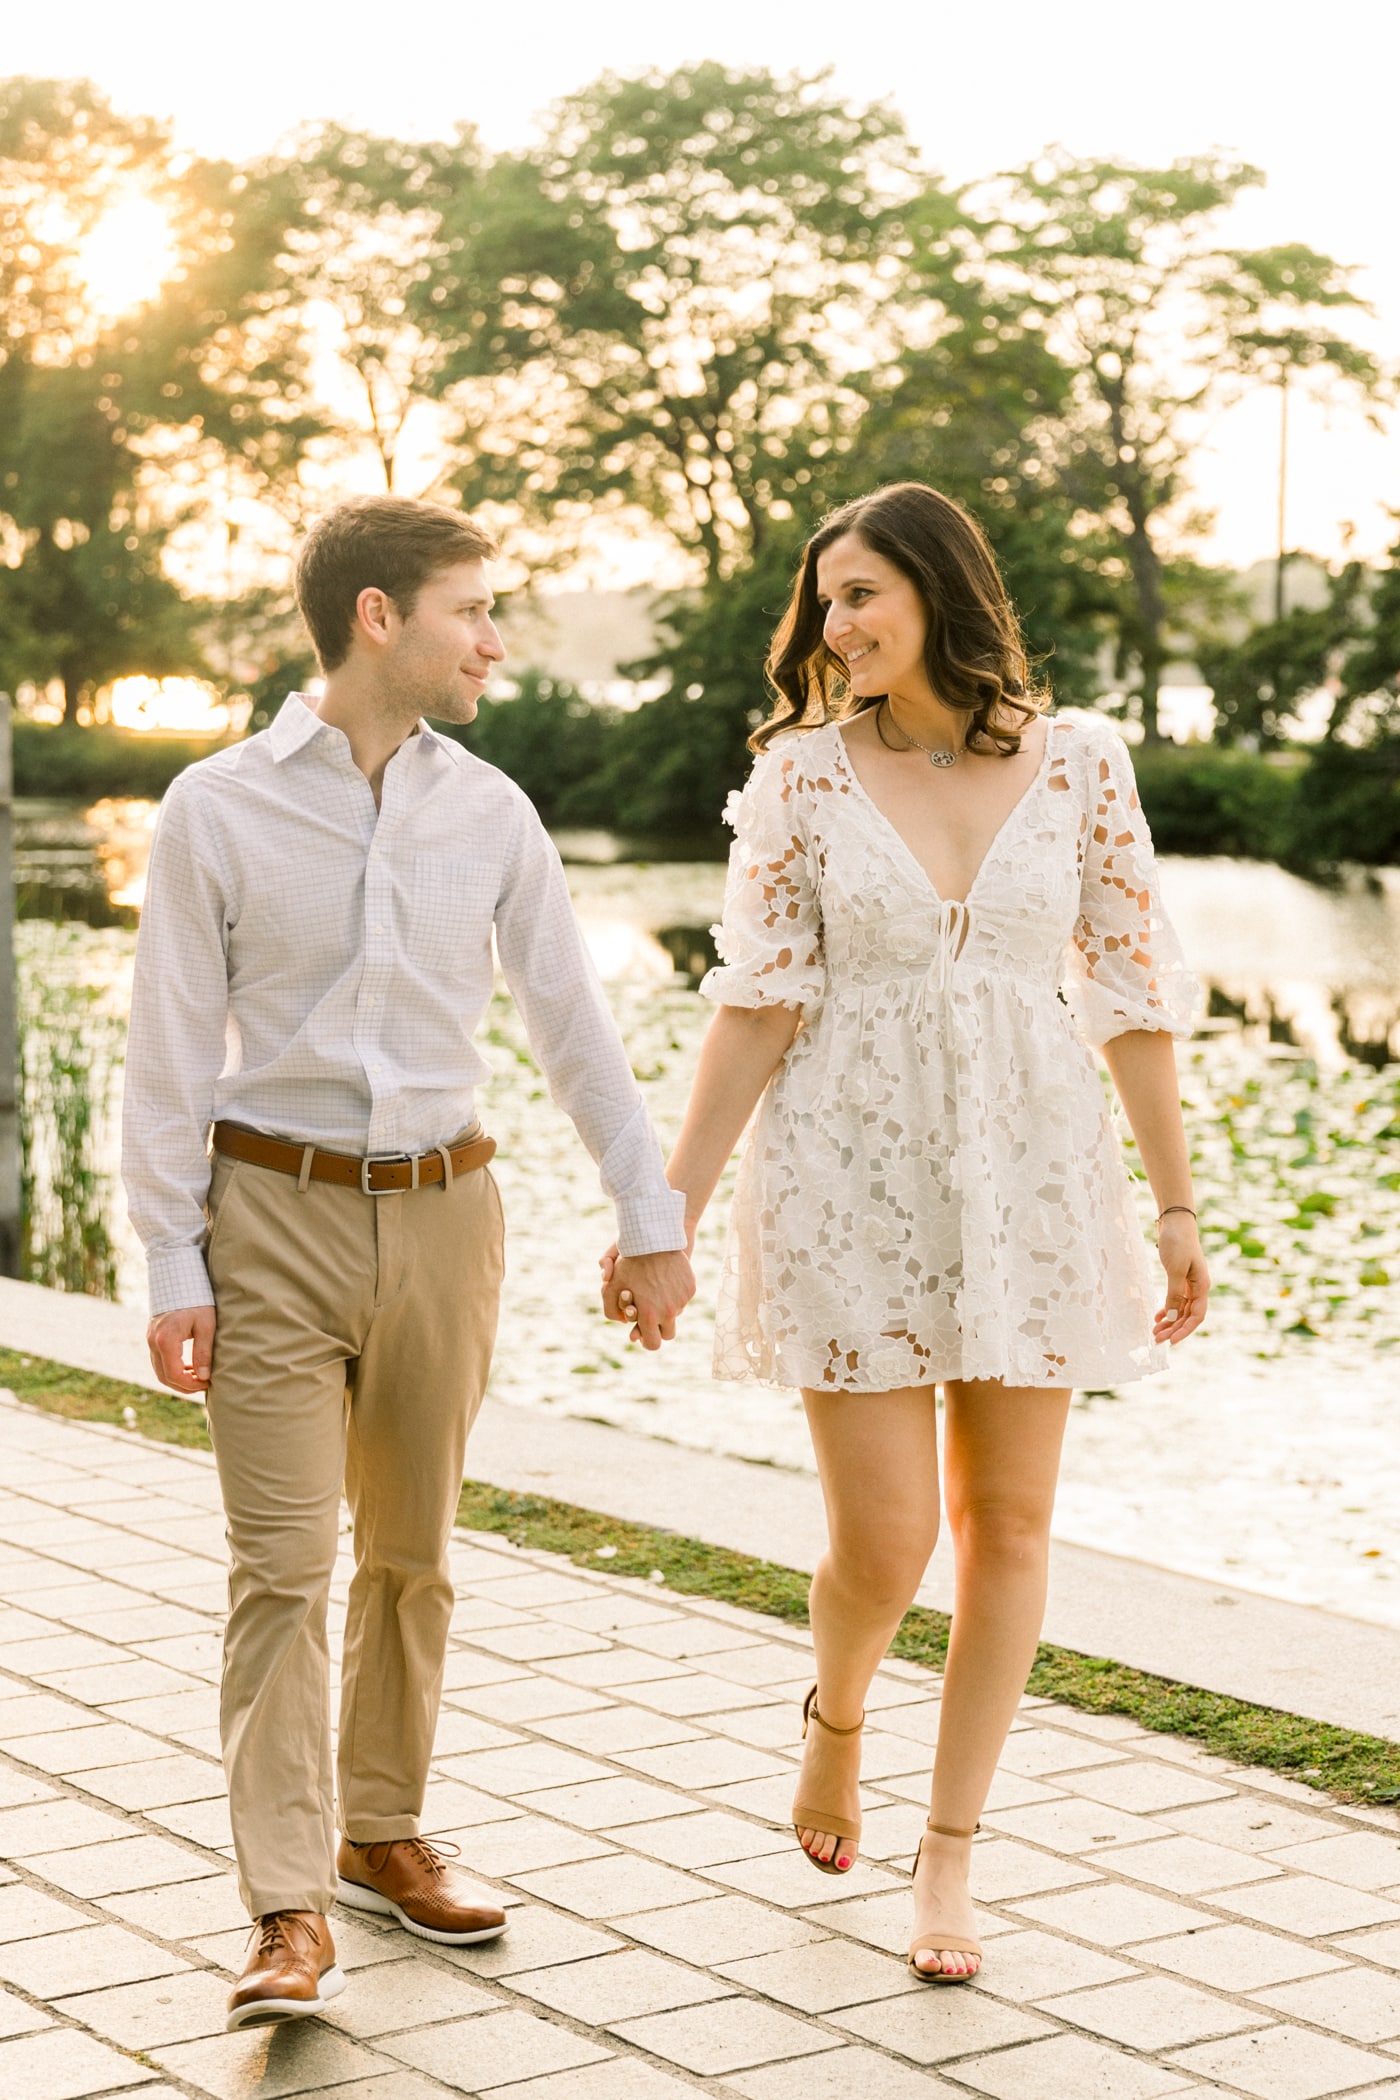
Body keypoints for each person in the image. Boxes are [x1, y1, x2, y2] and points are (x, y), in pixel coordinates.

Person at [605, 481, 1208, 1983]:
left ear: (939, 589)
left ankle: (949, 1853)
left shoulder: (1084, 763)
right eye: (824, 602)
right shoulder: (800, 779)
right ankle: (838, 1711)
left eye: (861, 592)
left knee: (1011, 1527)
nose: (835, 624)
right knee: (886, 1541)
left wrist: (1176, 1206)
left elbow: (1131, 995)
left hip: (1033, 1173)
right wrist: (663, 1214)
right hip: (846, 1175)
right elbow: (756, 1007)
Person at [122, 495, 694, 2031]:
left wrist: (649, 1217)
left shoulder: (491, 813)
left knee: (414, 1557)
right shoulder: (216, 809)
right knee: (280, 1570)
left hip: (449, 1217)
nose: (494, 640)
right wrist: (171, 1263)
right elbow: (167, 1056)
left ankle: (380, 1831)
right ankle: (286, 1908)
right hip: (271, 1219)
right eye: (472, 610)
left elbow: (573, 1026)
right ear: (378, 618)